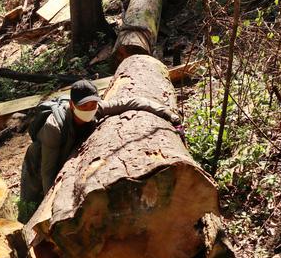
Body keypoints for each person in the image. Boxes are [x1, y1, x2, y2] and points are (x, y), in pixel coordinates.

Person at [18, 79, 181, 223]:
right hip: (38, 163)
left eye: (93, 104)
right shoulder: (54, 127)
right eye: (84, 105)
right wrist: (50, 209)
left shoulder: (96, 108)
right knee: (30, 208)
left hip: (63, 158)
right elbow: (48, 172)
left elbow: (131, 102)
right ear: (72, 105)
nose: (90, 109)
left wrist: (167, 114)